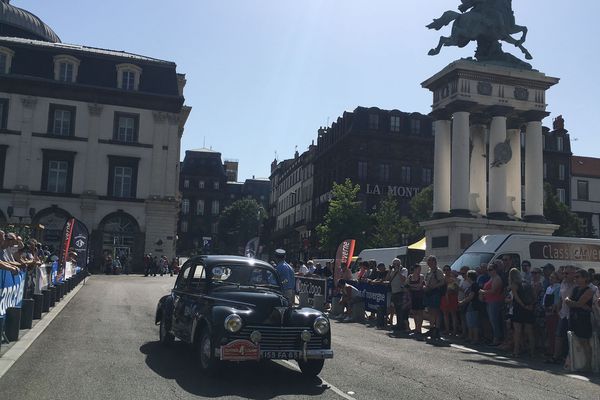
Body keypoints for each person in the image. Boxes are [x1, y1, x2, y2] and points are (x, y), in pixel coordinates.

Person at [565, 269, 594, 371]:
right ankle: (576, 362)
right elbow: (567, 300)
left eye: (578, 277)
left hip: (583, 319)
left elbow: (578, 303)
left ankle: (588, 364)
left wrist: (573, 303)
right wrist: (573, 303)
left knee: (584, 341)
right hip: (574, 317)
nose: (575, 279)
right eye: (575, 277)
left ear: (585, 278)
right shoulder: (575, 289)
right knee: (576, 340)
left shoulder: (589, 290)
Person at [547, 265, 576, 364]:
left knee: (571, 337)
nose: (564, 275)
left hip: (572, 314)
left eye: (567, 273)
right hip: (563, 313)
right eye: (563, 273)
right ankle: (556, 356)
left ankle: (569, 357)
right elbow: (560, 297)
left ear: (573, 274)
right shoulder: (563, 282)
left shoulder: (576, 285)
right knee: (558, 335)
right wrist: (558, 308)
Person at [509, 268, 535, 358]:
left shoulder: (514, 284)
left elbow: (516, 298)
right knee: (529, 331)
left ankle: (516, 351)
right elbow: (533, 295)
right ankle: (532, 352)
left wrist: (523, 305)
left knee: (517, 331)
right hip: (529, 308)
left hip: (519, 308)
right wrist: (530, 305)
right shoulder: (527, 283)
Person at [479, 260, 504, 346]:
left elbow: (493, 291)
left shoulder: (497, 278)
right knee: (491, 320)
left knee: (494, 320)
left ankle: (497, 338)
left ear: (495, 270)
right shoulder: (491, 278)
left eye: (490, 269)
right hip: (488, 301)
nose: (488, 271)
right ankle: (494, 337)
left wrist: (482, 292)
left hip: (494, 301)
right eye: (488, 269)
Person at [424, 255, 445, 340]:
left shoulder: (438, 271)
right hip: (429, 292)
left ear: (435, 262)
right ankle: (432, 328)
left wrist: (434, 286)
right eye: (428, 261)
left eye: (431, 261)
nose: (429, 263)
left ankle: (437, 329)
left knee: (436, 311)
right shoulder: (429, 271)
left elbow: (442, 282)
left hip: (435, 292)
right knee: (430, 311)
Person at [388, 262, 411, 336]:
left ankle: (402, 326)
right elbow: (388, 279)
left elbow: (403, 279)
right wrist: (390, 270)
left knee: (401, 310)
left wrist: (398, 271)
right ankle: (398, 324)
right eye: (393, 263)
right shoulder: (393, 270)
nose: (394, 265)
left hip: (400, 292)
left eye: (395, 264)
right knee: (396, 310)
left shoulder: (404, 270)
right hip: (394, 292)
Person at [459, 270, 481, 344]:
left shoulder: (474, 285)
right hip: (472, 305)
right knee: (470, 322)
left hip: (474, 305)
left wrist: (462, 302)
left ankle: (475, 339)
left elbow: (471, 296)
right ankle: (470, 337)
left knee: (473, 322)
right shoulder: (473, 285)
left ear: (469, 277)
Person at [440, 265, 459, 337]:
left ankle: (454, 330)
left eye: (448, 269)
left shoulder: (453, 278)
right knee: (445, 314)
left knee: (453, 314)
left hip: (452, 297)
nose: (446, 271)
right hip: (444, 297)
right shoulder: (443, 278)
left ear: (450, 270)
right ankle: (447, 329)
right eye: (445, 270)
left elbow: (456, 289)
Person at [408, 263, 425, 339]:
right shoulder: (410, 276)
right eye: (418, 269)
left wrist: (412, 287)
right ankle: (416, 328)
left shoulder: (421, 276)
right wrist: (412, 287)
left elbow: (419, 286)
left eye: (420, 269)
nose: (419, 270)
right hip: (413, 296)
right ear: (414, 269)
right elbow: (406, 284)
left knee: (420, 312)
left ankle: (419, 329)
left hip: (419, 296)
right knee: (414, 312)